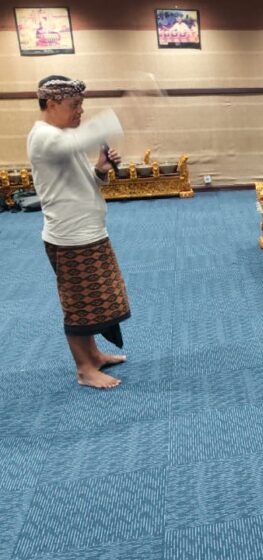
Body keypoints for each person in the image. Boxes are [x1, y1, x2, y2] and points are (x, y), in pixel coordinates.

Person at [27, 75, 129, 389]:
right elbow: (77, 140)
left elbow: (84, 180)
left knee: (92, 301)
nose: (80, 112)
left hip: (87, 231)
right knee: (79, 304)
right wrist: (128, 109)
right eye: (75, 105)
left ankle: (93, 355)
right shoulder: (44, 136)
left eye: (82, 106)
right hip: (71, 237)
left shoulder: (59, 135)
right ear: (52, 103)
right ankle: (85, 370)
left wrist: (99, 169)